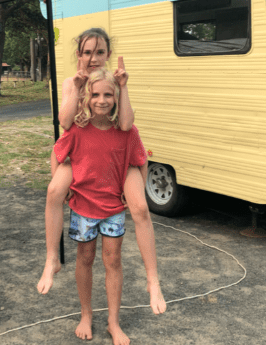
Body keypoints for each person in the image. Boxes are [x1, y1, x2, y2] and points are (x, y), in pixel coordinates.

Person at [37, 28, 166, 317]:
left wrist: (122, 86)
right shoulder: (72, 82)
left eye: (99, 52)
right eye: (87, 52)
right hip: (81, 148)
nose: (93, 58)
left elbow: (126, 125)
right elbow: (65, 123)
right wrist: (78, 86)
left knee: (140, 208)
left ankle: (153, 279)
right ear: (78, 54)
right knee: (54, 191)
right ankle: (51, 258)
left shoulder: (115, 80)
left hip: (118, 151)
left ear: (108, 54)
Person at [53, 68, 149, 344]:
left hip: (113, 209)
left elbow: (141, 161)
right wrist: (61, 188)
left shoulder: (127, 132)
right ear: (86, 97)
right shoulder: (76, 129)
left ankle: (113, 322)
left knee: (113, 260)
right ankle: (86, 314)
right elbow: (58, 155)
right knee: (85, 258)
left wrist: (136, 194)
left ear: (117, 97)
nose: (102, 100)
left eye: (108, 94)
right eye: (95, 94)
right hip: (83, 208)